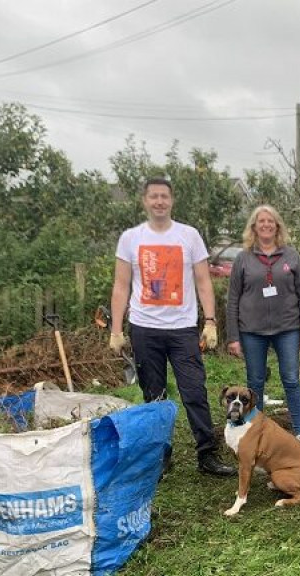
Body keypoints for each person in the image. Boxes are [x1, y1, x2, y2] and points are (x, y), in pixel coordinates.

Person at [109, 177, 236, 477]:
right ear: (145, 201)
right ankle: (160, 456)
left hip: (182, 329)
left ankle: (207, 454)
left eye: (164, 196)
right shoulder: (131, 238)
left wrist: (210, 321)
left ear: (172, 200)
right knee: (153, 395)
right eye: (153, 197)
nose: (159, 202)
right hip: (144, 328)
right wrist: (116, 329)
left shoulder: (188, 236)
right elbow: (120, 286)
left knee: (194, 391)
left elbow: (204, 281)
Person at [226, 205, 300, 452]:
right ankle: (257, 433)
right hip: (251, 331)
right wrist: (233, 336)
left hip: (287, 328)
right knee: (255, 383)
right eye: (261, 221)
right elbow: (233, 298)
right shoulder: (243, 258)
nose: (266, 225)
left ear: (277, 226)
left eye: (271, 221)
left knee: (291, 379)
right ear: (254, 227)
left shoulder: (291, 256)